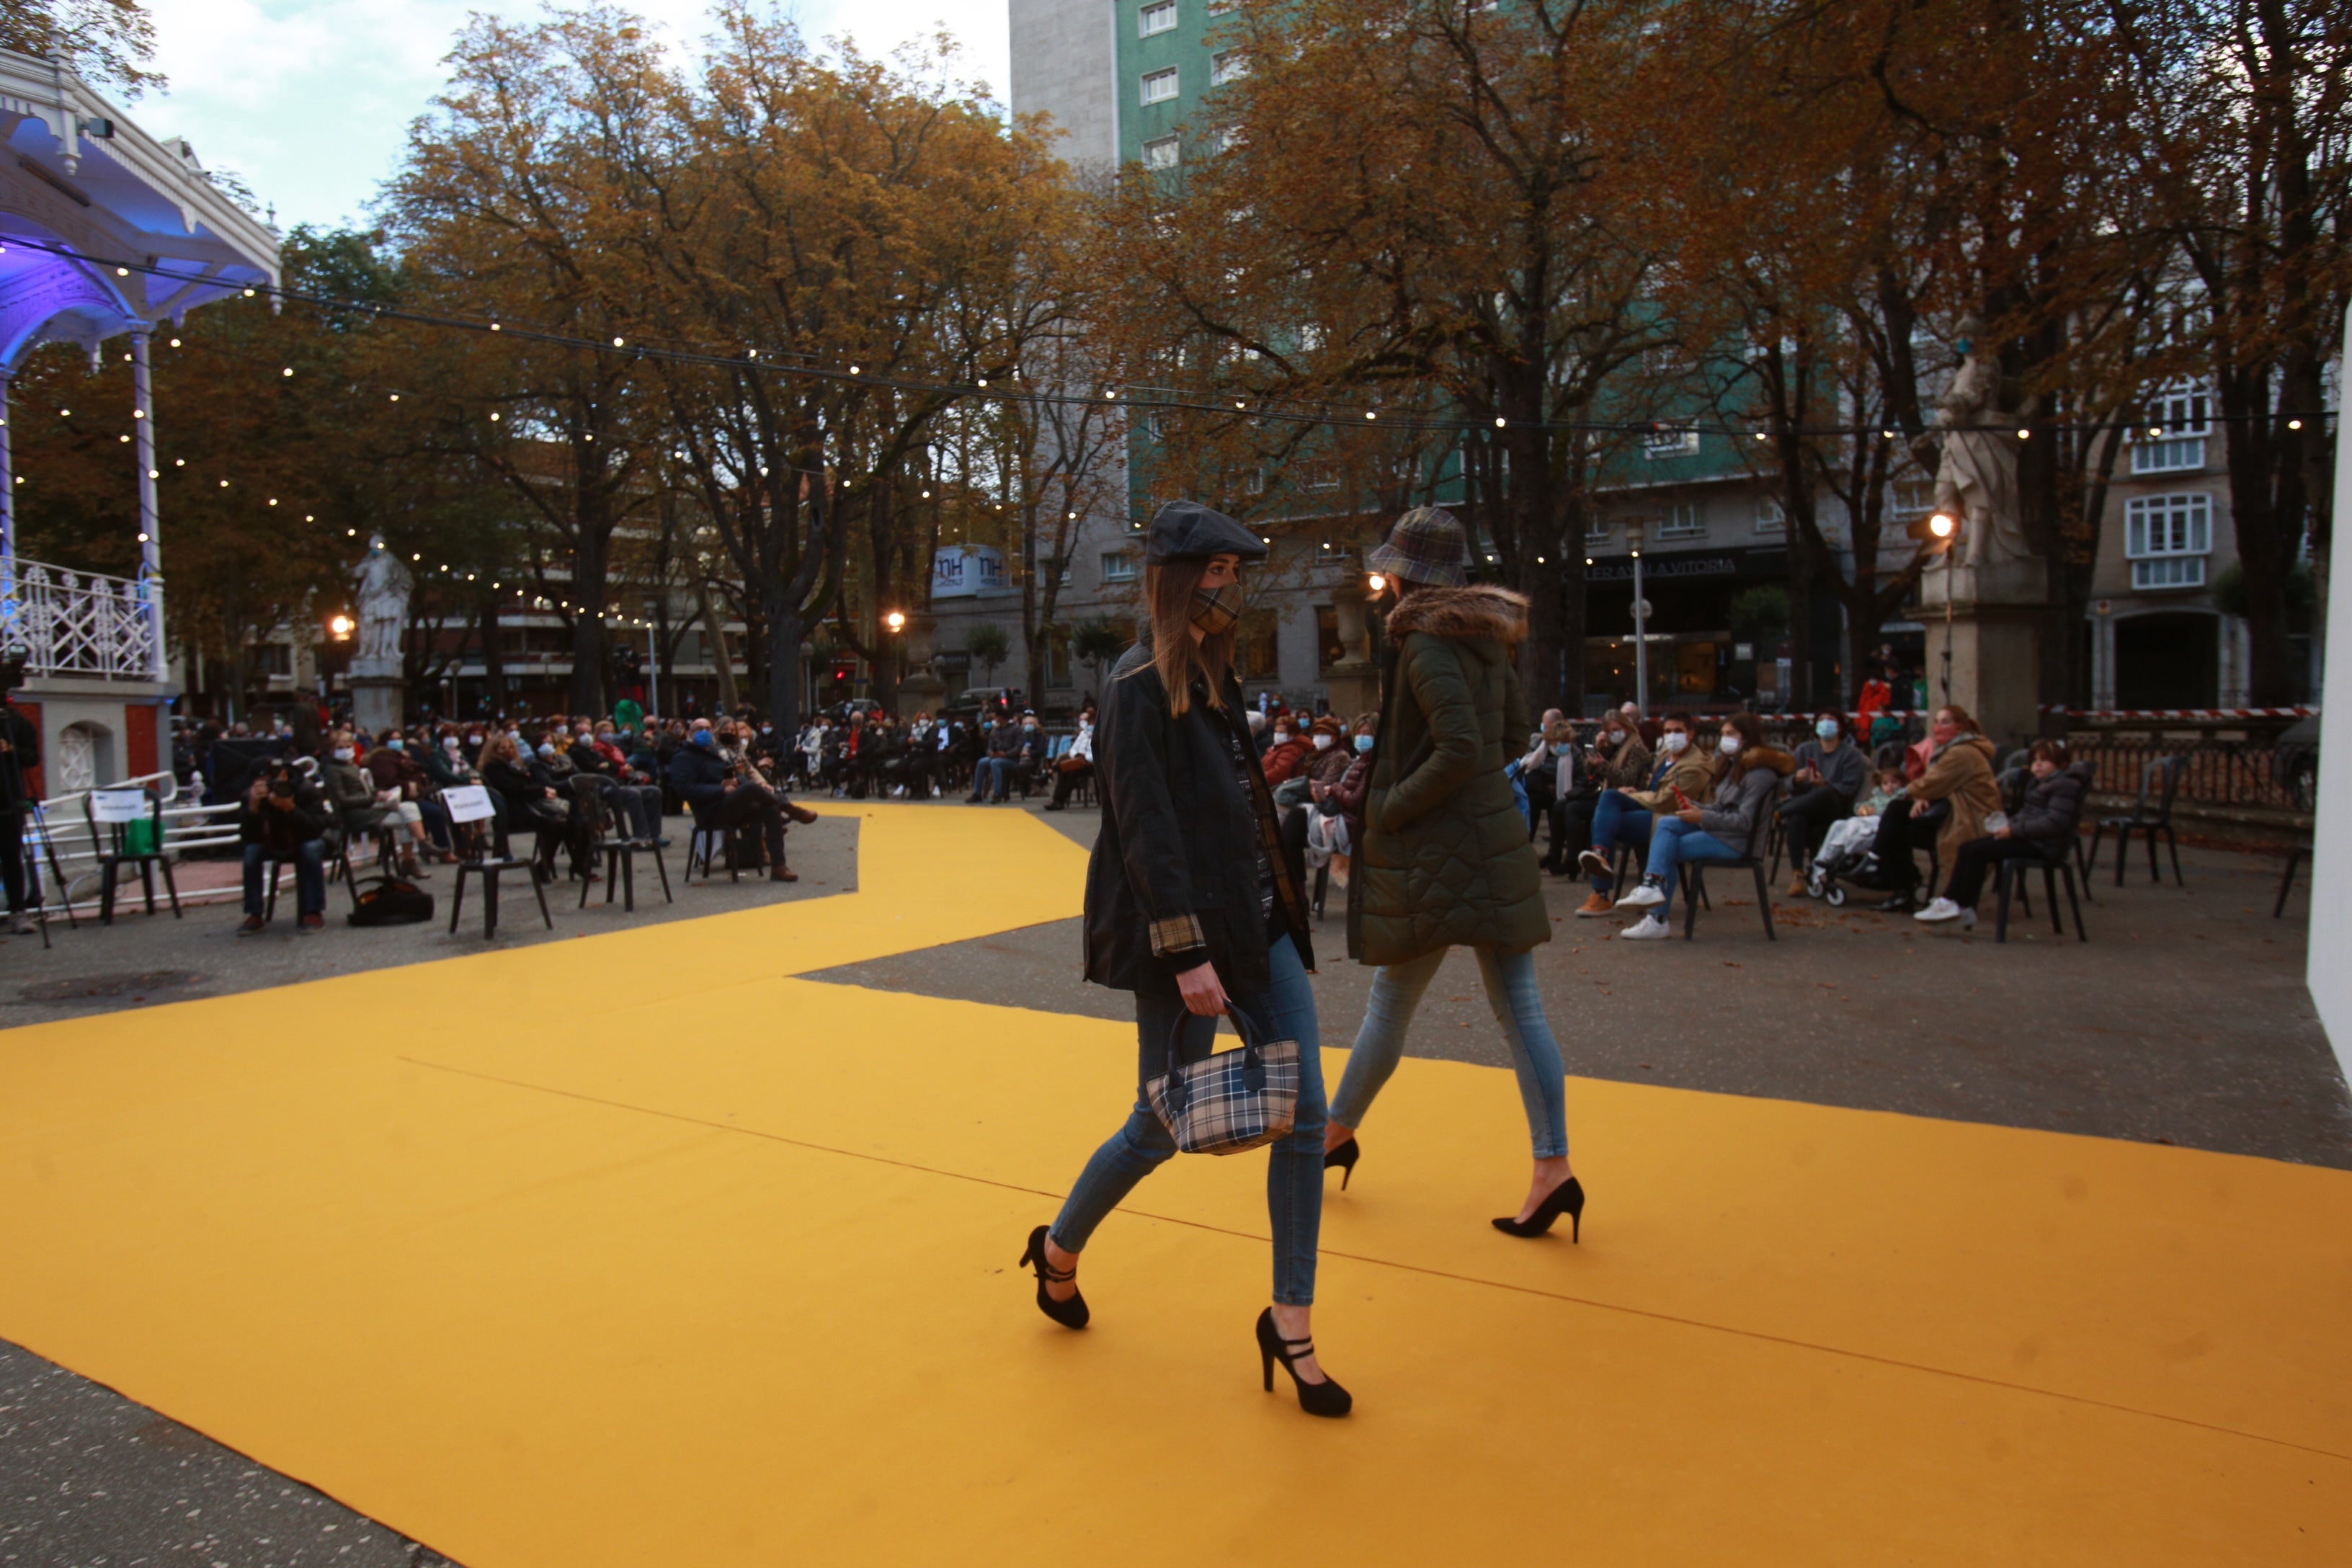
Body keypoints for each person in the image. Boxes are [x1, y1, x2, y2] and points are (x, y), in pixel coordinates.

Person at [1020, 499, 1347, 1419]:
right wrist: (1188, 953)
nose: (1230, 588)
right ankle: (1057, 1249)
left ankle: (1291, 1318)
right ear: (1176, 579)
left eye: (1236, 574)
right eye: (1216, 574)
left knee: (1306, 1117)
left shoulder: (1213, 670)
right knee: (1158, 1124)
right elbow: (1144, 834)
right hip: (1189, 939)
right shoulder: (1134, 684)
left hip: (1258, 924)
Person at [1323, 506, 1583, 1242]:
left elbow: (1462, 743)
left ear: (1408, 573)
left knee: (1390, 1005)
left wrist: (1390, 808)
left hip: (1439, 851)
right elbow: (1506, 736)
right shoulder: (1484, 636)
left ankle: (1335, 1134)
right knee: (1519, 1011)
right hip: (1489, 840)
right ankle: (1551, 1167)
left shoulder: (1422, 637)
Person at [1613, 712, 1794, 939]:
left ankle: (1656, 915)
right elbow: (1721, 807)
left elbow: (1745, 823)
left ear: (1746, 738)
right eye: (1723, 734)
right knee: (1667, 824)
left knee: (1666, 848)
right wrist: (1695, 806)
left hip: (1737, 842)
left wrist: (1701, 817)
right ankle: (1652, 892)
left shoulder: (1759, 774)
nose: (1724, 740)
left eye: (1730, 734)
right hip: (1722, 832)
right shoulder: (1735, 766)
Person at [1915, 741, 2088, 930]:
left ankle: (1960, 905)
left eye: (2045, 761)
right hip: (2032, 838)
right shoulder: (2041, 784)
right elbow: (2030, 814)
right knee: (1968, 847)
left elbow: (2054, 823)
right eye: (2035, 761)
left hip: (2044, 845)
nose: (2037, 765)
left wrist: (2013, 831)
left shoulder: (2064, 786)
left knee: (1978, 852)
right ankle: (1953, 902)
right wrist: (2008, 824)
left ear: (2061, 765)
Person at [1572, 710, 1709, 915]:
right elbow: (1651, 787)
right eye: (1668, 731)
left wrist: (1636, 795)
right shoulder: (1666, 756)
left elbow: (1667, 801)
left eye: (1678, 731)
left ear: (1691, 734)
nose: (1672, 736)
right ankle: (1600, 856)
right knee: (1610, 798)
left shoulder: (1695, 765)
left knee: (1603, 821)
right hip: (1651, 807)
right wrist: (1634, 790)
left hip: (1671, 818)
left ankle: (1600, 892)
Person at [1868, 704, 2000, 912]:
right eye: (1936, 722)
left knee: (1896, 817)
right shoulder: (1950, 750)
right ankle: (1893, 875)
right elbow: (1935, 785)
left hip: (1967, 822)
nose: (1938, 727)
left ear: (1961, 727)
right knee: (1897, 817)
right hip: (1950, 812)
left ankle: (1879, 862)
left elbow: (1933, 783)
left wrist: (1916, 792)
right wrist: (1922, 796)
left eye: (1945, 722)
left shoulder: (1962, 753)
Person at [669, 719, 801, 881]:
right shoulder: (684, 757)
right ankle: (787, 807)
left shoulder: (717, 753)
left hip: (731, 806)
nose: (704, 732)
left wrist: (736, 782)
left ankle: (779, 867)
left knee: (770, 809)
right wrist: (721, 789)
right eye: (699, 729)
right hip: (709, 811)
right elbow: (684, 789)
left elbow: (739, 776)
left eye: (707, 728)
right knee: (750, 788)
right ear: (689, 734)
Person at [1778, 710, 1868, 896]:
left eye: (1831, 720)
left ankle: (1781, 811)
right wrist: (1797, 779)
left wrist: (1824, 784)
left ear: (1840, 726)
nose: (1826, 723)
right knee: (1797, 817)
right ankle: (1798, 874)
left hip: (1834, 807)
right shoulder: (1805, 750)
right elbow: (1787, 785)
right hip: (1805, 806)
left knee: (1825, 791)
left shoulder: (1851, 755)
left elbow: (1848, 789)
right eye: (1821, 720)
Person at [236, 757, 331, 935]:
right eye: (264, 782)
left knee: (311, 850)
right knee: (251, 853)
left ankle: (313, 911)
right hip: (273, 842)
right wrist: (253, 809)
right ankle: (254, 914)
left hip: (306, 839)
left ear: (284, 775)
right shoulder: (250, 795)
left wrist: (291, 809)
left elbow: (315, 829)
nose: (271, 786)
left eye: (273, 780)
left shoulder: (305, 790)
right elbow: (247, 837)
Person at [1544, 716, 1647, 878]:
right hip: (1605, 793)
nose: (1612, 734)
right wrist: (1598, 752)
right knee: (1560, 806)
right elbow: (1590, 774)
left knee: (1574, 809)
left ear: (1626, 729)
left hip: (1624, 798)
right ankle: (1554, 857)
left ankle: (1573, 859)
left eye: (1616, 730)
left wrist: (1603, 765)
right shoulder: (1613, 747)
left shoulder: (1636, 749)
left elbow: (1627, 779)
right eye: (1608, 731)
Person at [0, 646, 43, 934]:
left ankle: (18, 910)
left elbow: (32, 757)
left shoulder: (14, 722)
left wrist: (11, 749)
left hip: (9, 796)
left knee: (11, 855)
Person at [1046, 703, 1096, 810]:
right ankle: (1057, 800)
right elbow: (1073, 749)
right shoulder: (1083, 733)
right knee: (1064, 770)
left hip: (1090, 764)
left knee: (1072, 772)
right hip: (1077, 760)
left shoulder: (1100, 733)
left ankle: (1059, 799)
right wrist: (1076, 755)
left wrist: (1086, 758)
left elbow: (1099, 752)